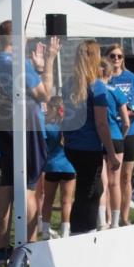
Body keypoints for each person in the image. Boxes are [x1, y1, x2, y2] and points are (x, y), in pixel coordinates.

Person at [0, 22, 55, 261]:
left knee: (7, 185)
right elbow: (45, 93)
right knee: (29, 187)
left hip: (4, 125)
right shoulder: (18, 62)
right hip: (26, 126)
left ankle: (3, 245)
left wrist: (34, 69)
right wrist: (49, 62)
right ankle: (28, 246)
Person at [63, 40, 121, 236]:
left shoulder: (69, 84)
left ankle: (83, 231)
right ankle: (82, 234)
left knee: (91, 191)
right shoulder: (97, 87)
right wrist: (111, 153)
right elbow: (101, 123)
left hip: (73, 145)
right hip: (89, 147)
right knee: (89, 193)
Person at [106, 44, 134, 227]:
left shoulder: (132, 78)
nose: (116, 59)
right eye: (113, 56)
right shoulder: (104, 79)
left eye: (120, 56)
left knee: (126, 176)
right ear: (106, 57)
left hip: (129, 132)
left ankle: (124, 216)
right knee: (109, 177)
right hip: (110, 132)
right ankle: (108, 218)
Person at [98, 59, 130, 230]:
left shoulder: (94, 90)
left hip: (98, 139)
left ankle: (102, 221)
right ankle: (116, 222)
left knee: (102, 183)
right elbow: (126, 122)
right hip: (116, 137)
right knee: (115, 183)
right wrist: (122, 137)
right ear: (110, 74)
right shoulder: (116, 91)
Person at [40, 96, 75, 238]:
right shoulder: (70, 126)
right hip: (69, 167)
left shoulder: (47, 126)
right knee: (66, 201)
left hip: (51, 166)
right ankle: (66, 230)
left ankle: (45, 230)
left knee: (47, 200)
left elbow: (42, 146)